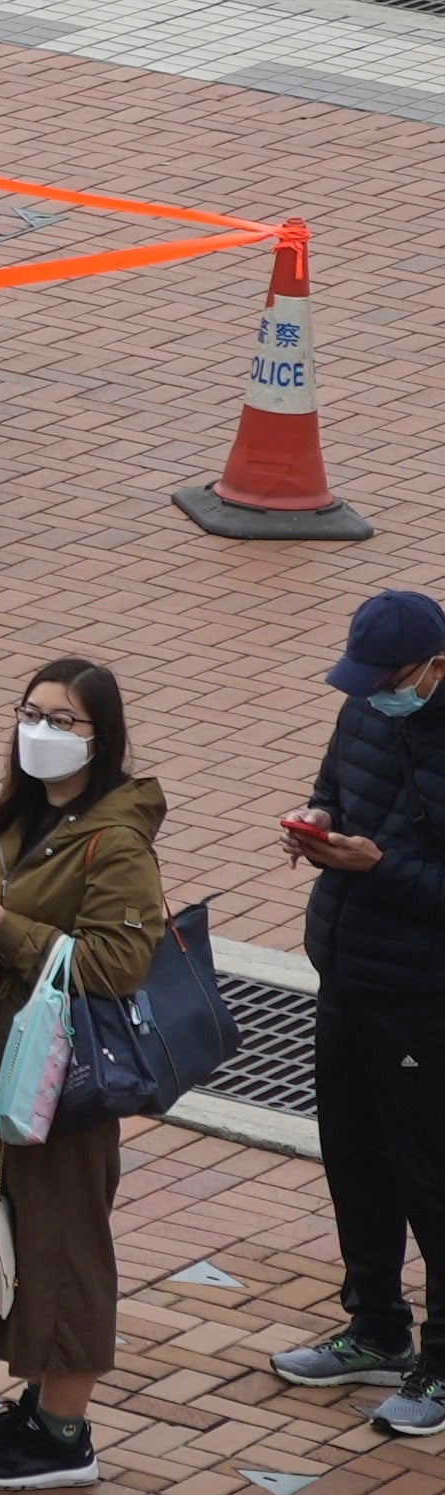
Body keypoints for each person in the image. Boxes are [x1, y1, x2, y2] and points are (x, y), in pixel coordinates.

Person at [0, 662, 169, 1492]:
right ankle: (35, 1402)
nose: (39, 729)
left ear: (99, 736)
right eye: (30, 711)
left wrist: (9, 932)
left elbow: (116, 961)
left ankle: (64, 1433)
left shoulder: (113, 840)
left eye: (62, 719)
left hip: (57, 1088)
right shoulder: (19, 817)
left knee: (63, 1252)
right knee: (12, 1239)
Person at [285, 593, 445, 1419]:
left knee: (430, 1178)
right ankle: (375, 1326)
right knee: (354, 1159)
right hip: (346, 974)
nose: (371, 694)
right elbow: (333, 785)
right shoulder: (364, 708)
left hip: (423, 998)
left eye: (387, 681)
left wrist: (375, 864)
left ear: (433, 668)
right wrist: (317, 821)